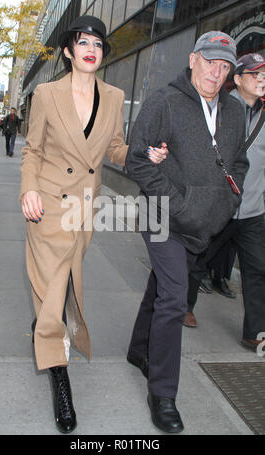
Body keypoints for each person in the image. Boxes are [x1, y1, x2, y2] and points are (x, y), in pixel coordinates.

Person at [20, 16, 167, 434]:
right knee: (51, 285)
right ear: (68, 50)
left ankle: (46, 324)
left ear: (103, 53)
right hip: (47, 204)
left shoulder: (115, 95)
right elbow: (32, 150)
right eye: (82, 42)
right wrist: (27, 190)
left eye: (98, 44)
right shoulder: (47, 94)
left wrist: (144, 155)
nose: (91, 49)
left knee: (63, 280)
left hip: (83, 208)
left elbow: (116, 149)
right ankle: (59, 376)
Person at [125, 31, 249, 434]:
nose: (217, 71)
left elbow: (239, 162)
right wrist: (177, 203)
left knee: (162, 287)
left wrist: (229, 202)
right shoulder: (164, 101)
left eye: (225, 65)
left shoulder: (234, 112)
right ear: (193, 59)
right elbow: (137, 160)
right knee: (176, 298)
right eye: (210, 61)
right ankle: (162, 394)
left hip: (205, 223)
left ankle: (139, 350)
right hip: (163, 215)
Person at [185, 53, 265, 351]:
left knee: (257, 270)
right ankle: (184, 305)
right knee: (198, 258)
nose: (261, 80)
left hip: (253, 209)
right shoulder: (219, 109)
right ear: (239, 79)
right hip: (220, 207)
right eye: (255, 74)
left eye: (264, 75)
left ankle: (255, 332)